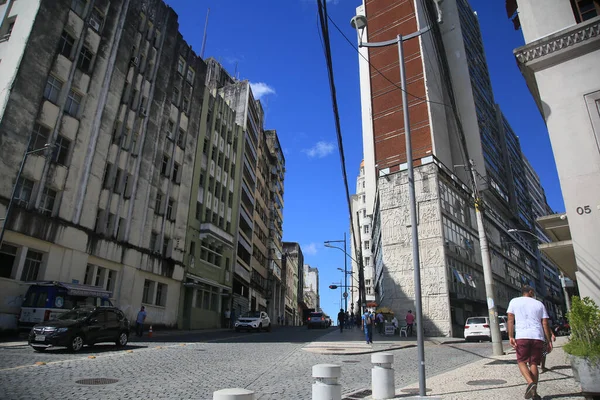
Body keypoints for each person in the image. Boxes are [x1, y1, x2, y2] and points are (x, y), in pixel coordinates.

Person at [508, 285, 553, 400]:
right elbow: (545, 324)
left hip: (522, 336)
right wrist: (548, 341)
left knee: (521, 361)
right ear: (530, 292)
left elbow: (510, 319)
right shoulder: (539, 304)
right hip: (537, 337)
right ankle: (535, 394)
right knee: (533, 364)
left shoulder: (514, 301)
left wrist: (510, 336)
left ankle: (530, 383)